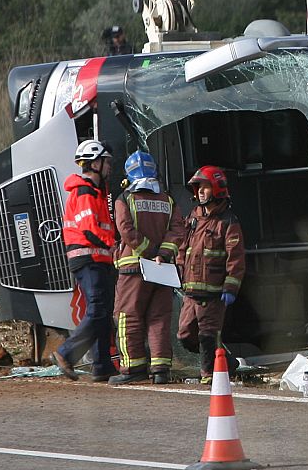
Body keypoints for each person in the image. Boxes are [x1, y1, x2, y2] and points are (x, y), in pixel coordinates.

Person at [109, 150, 186, 385]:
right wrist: (162, 254)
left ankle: (133, 368)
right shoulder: (167, 200)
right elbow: (177, 231)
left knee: (127, 317)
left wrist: (149, 252)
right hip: (162, 270)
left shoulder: (125, 199)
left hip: (133, 268)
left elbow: (126, 229)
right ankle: (160, 369)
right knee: (159, 318)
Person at [51, 140, 118, 382]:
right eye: (107, 162)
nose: (110, 166)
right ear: (95, 163)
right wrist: (113, 243)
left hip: (98, 258)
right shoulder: (85, 192)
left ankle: (102, 366)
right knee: (99, 310)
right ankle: (66, 352)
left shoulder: (96, 192)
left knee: (102, 311)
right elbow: (89, 230)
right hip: (89, 258)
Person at [177, 165, 245, 385]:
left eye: (204, 188)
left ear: (217, 189)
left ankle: (210, 376)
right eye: (197, 189)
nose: (199, 193)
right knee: (185, 335)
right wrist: (178, 273)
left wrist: (230, 287)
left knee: (207, 335)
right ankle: (224, 361)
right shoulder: (193, 218)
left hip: (214, 294)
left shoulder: (227, 222)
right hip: (190, 292)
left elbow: (236, 258)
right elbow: (182, 248)